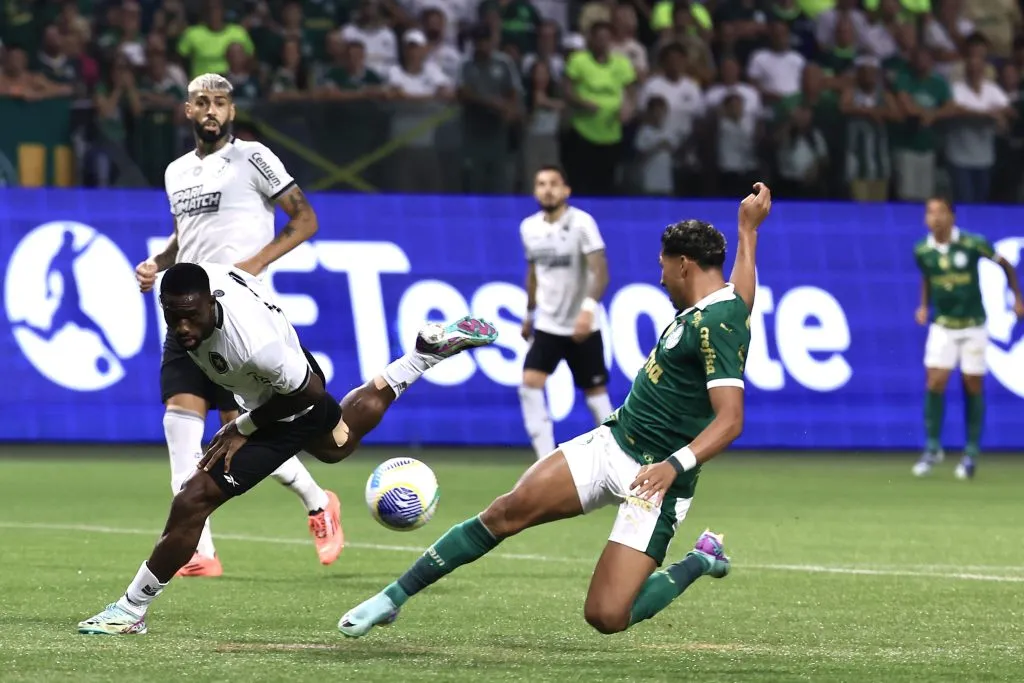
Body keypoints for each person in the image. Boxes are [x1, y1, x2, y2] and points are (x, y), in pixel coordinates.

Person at [339, 184, 772, 638]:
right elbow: (742, 292)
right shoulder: (723, 305)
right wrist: (747, 229)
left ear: (682, 263)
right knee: (505, 512)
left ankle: (701, 559)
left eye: (663, 266)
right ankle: (392, 598)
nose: (660, 278)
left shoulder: (716, 322)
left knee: (607, 616)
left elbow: (731, 420)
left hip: (657, 480)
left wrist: (672, 466)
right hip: (613, 442)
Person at [78, 263, 499, 635]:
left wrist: (241, 427)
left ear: (210, 302)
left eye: (191, 316)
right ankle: (421, 357)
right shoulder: (205, 287)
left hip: (294, 398)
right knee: (335, 446)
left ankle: (131, 608)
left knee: (195, 497)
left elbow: (309, 393)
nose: (183, 326)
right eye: (173, 317)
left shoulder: (255, 346)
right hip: (277, 380)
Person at [135, 73, 339, 576]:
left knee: (237, 433)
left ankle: (318, 502)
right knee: (180, 427)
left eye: (220, 102)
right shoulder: (177, 171)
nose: (211, 110)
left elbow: (305, 219)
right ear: (187, 110)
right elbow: (186, 236)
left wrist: (253, 264)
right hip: (188, 316)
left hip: (239, 319)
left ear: (231, 111)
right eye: (202, 102)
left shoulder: (253, 157)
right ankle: (199, 550)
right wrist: (159, 262)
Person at [912, 196, 1024, 479]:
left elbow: (1006, 264)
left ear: (951, 216)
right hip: (943, 325)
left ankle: (971, 452)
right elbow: (927, 277)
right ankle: (932, 447)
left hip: (973, 324)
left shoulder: (973, 243)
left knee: (971, 383)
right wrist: (924, 305)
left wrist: (1017, 297)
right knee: (935, 381)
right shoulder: (922, 249)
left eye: (939, 212)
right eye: (929, 212)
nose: (933, 218)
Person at [519, 165, 612, 460]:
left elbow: (601, 273)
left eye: (554, 184)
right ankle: (544, 459)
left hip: (582, 325)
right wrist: (529, 314)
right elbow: (533, 273)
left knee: (596, 396)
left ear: (566, 190)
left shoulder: (582, 223)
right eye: (541, 184)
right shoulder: (529, 228)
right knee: (529, 385)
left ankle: (618, 455)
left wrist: (587, 310)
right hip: (548, 324)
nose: (547, 189)